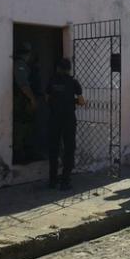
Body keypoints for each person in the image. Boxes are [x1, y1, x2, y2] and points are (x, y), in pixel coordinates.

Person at [46, 58, 85, 190]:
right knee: (69, 149)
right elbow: (81, 101)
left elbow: (47, 98)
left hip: (54, 119)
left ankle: (52, 181)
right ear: (69, 69)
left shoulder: (51, 81)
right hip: (68, 120)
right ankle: (65, 181)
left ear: (57, 68)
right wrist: (71, 100)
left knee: (53, 149)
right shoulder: (74, 83)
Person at [13, 42, 37, 164]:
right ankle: (19, 155)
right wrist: (32, 99)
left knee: (26, 126)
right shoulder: (20, 65)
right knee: (21, 126)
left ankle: (24, 153)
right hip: (21, 101)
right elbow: (23, 85)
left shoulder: (22, 64)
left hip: (22, 100)